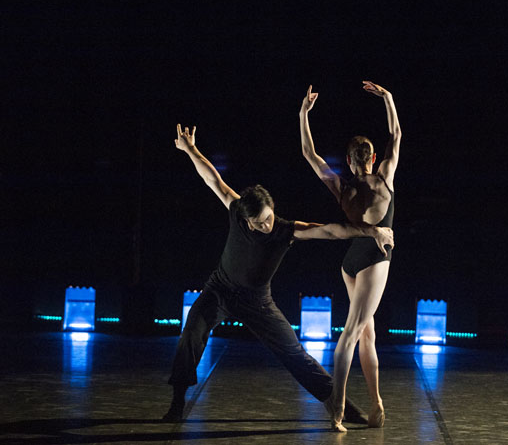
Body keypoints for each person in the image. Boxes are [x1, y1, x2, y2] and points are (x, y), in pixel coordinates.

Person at [163, 124, 394, 424]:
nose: (266, 225)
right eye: (259, 223)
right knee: (191, 332)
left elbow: (331, 231)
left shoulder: (285, 230)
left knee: (294, 354)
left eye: (269, 218)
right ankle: (177, 401)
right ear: (246, 220)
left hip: (257, 301)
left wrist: (372, 231)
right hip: (220, 289)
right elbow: (213, 179)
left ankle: (341, 404)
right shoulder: (236, 209)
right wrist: (190, 149)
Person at [299, 81, 401, 431]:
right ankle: (338, 408)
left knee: (366, 335)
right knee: (352, 332)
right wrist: (387, 99)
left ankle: (376, 404)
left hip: (351, 262)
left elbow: (309, 155)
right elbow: (396, 135)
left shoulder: (341, 187)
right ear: (372, 158)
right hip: (374, 259)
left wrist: (303, 114)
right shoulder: (385, 177)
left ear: (348, 160)